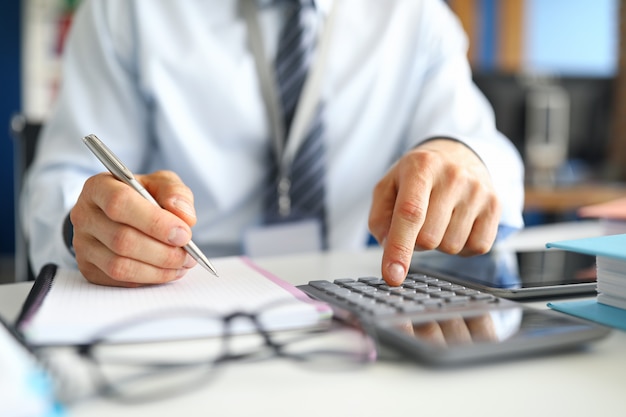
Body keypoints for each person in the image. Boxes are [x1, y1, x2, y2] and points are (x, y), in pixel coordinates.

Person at [22, 0, 524, 288]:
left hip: (348, 297)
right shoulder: (126, 10)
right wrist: (88, 228)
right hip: (182, 290)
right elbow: (61, 180)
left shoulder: (416, 17)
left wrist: (463, 159)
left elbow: (486, 150)